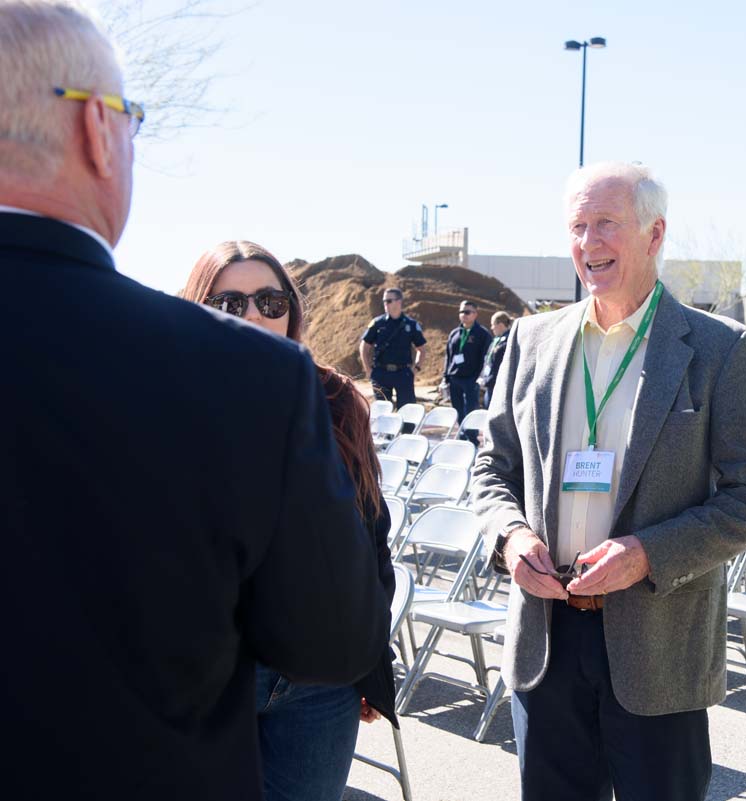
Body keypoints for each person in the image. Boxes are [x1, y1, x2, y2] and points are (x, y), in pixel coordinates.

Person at [0, 3, 388, 798]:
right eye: (132, 121)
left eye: (269, 301)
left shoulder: (300, 389)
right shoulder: (243, 380)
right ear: (98, 135)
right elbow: (330, 636)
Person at [472, 161, 746, 801]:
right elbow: (490, 465)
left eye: (607, 225)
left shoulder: (722, 349)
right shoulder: (532, 341)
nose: (589, 244)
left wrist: (647, 554)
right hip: (546, 638)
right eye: (578, 226)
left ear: (654, 234)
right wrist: (508, 536)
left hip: (658, 646)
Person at [182, 241, 398, 801]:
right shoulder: (168, 397)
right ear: (196, 306)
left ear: (292, 311)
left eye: (270, 301)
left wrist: (373, 661)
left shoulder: (335, 398)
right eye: (229, 303)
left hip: (318, 684)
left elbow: (370, 534)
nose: (254, 315)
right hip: (208, 678)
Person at [361, 287, 425, 411]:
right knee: (382, 412)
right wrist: (368, 369)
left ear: (399, 301)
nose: (385, 304)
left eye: (389, 300)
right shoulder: (377, 323)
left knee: (407, 411)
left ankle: (407, 431)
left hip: (403, 374)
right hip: (381, 373)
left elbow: (421, 349)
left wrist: (415, 369)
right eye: (384, 301)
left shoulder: (411, 325)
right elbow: (364, 346)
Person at [444, 299, 491, 421]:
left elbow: (486, 358)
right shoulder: (454, 333)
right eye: (461, 311)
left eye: (467, 312)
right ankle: (461, 435)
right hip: (455, 378)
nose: (463, 315)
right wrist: (445, 377)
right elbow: (448, 356)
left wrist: (479, 378)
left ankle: (472, 437)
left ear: (475, 314)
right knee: (457, 410)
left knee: (471, 411)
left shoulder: (482, 334)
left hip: (471, 379)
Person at [477, 310, 511, 408]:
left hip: (498, 386)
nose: (491, 328)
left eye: (493, 325)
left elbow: (500, 366)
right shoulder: (496, 340)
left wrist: (488, 380)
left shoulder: (507, 341)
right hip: (490, 384)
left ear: (500, 324)